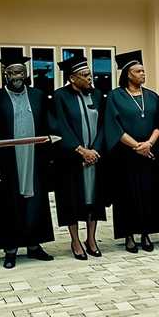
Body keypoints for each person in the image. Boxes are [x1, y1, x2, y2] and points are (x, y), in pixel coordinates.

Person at [0, 49, 55, 269]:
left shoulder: (38, 96)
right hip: (6, 162)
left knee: (35, 202)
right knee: (7, 205)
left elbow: (48, 128)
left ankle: (34, 246)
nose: (17, 77)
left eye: (21, 72)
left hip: (33, 159)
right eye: (12, 73)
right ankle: (10, 250)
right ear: (5, 73)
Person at [103, 51, 159, 253]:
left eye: (143, 71)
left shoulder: (152, 96)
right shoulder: (115, 96)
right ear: (128, 74)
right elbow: (113, 126)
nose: (143, 74)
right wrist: (137, 146)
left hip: (149, 154)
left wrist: (149, 144)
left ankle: (146, 233)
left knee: (148, 194)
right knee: (126, 195)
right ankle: (128, 235)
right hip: (125, 156)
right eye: (138, 71)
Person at [50, 56, 106, 259]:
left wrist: (95, 150)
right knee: (71, 200)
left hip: (95, 158)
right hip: (71, 159)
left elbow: (102, 125)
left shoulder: (98, 95)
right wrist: (81, 150)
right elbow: (59, 127)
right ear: (72, 78)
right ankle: (75, 240)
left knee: (94, 200)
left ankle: (91, 238)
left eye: (90, 74)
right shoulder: (60, 97)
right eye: (85, 75)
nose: (90, 78)